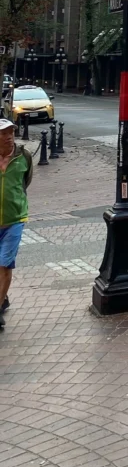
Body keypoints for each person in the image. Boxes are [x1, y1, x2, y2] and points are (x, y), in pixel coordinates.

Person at [0, 117, 33, 331]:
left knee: (3, 265)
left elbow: (26, 182)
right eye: (4, 134)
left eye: (11, 132)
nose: (9, 137)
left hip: (15, 220)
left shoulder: (24, 156)